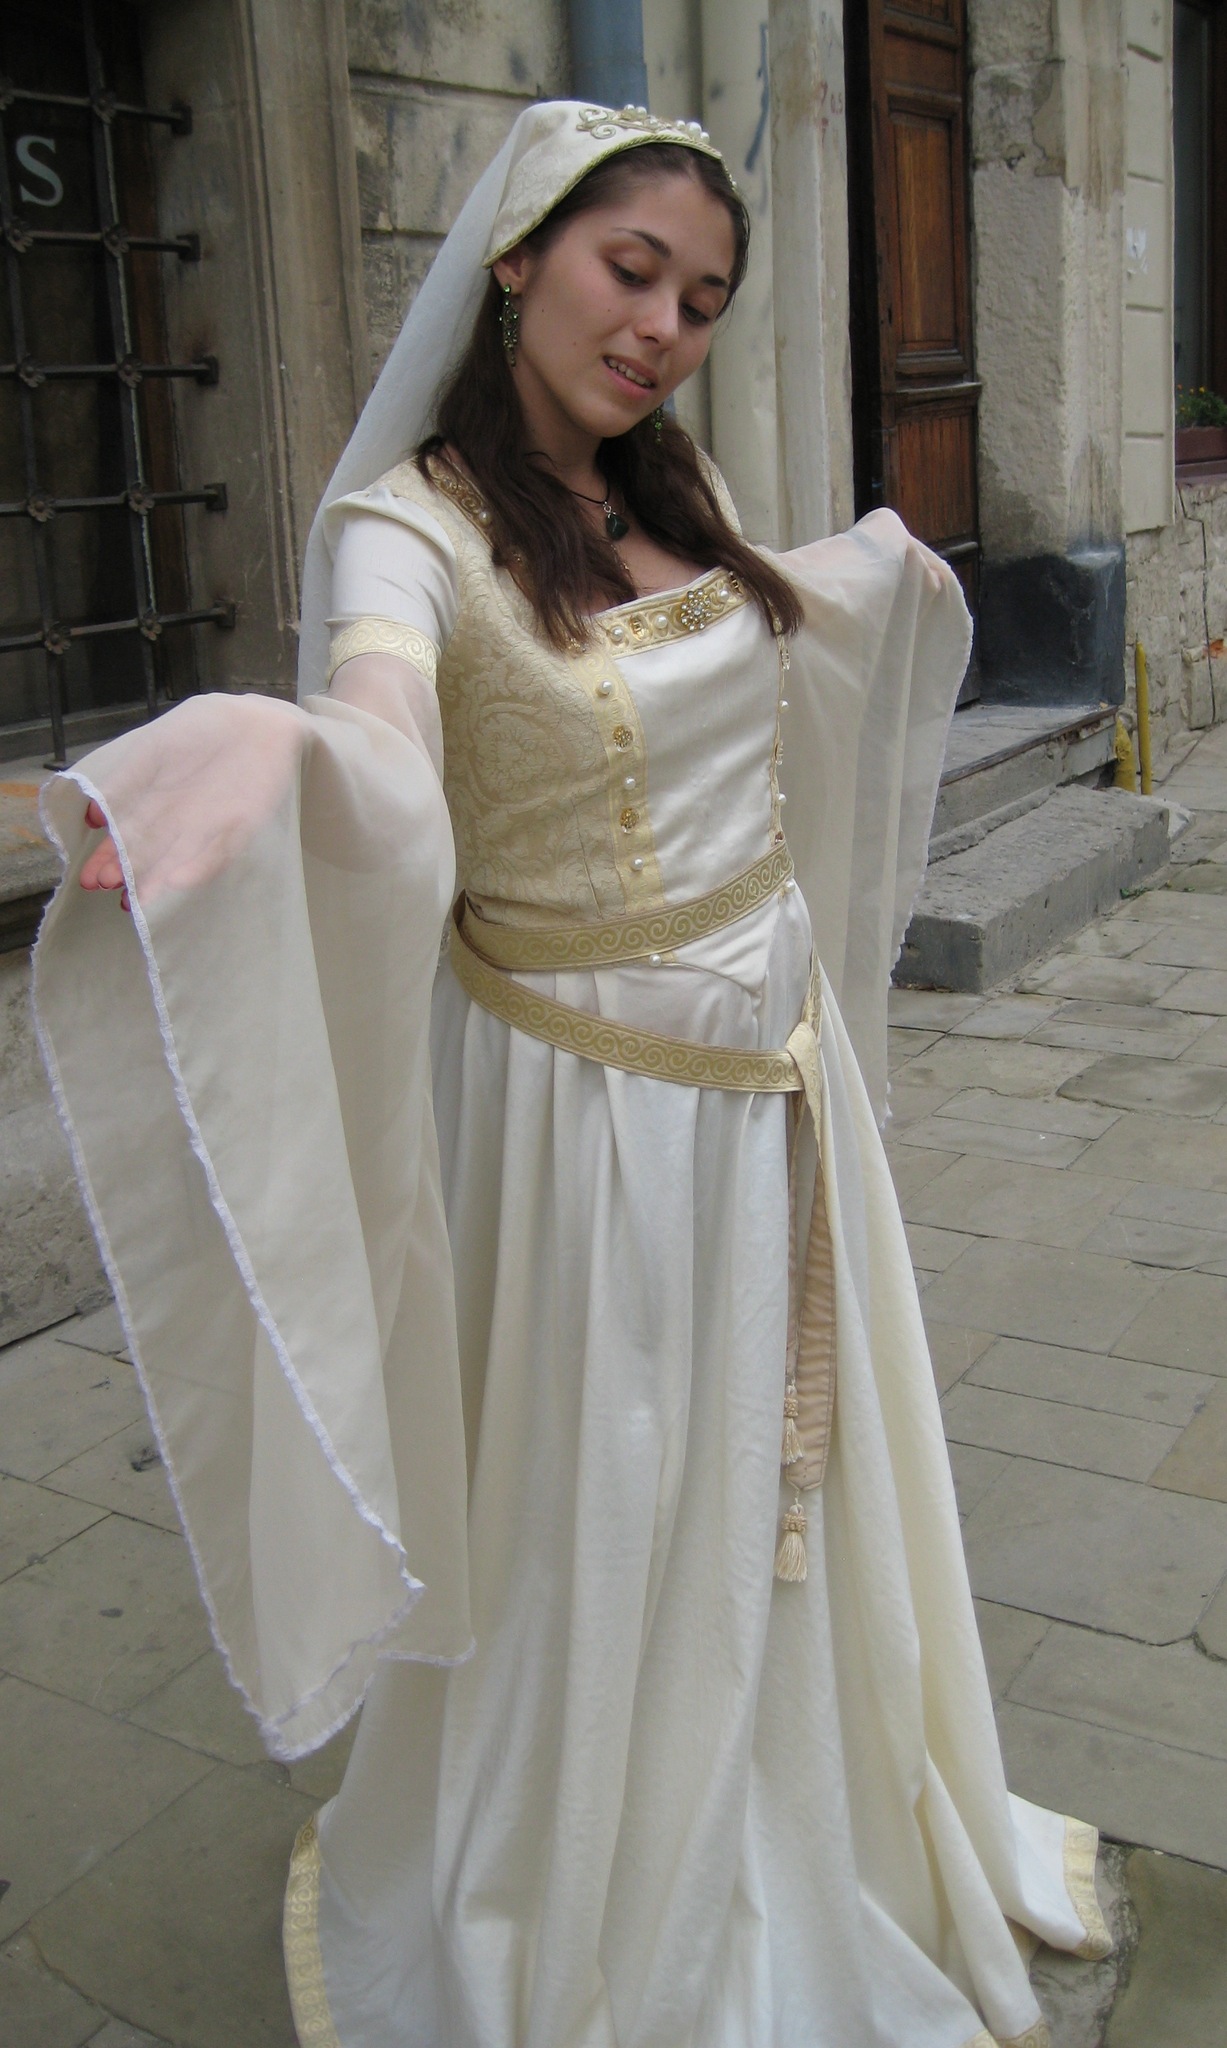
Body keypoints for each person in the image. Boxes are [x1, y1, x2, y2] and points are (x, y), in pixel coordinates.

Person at [34, 100, 1109, 2048]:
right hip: (587, 1122)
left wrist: (858, 570)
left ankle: (803, 1804)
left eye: (701, 300)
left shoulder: (668, 486)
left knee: (778, 1476)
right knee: (606, 1494)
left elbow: (725, 663)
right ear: (519, 252)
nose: (661, 328)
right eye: (632, 272)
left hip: (776, 1086)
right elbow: (381, 730)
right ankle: (605, 1862)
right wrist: (269, 753)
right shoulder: (404, 531)